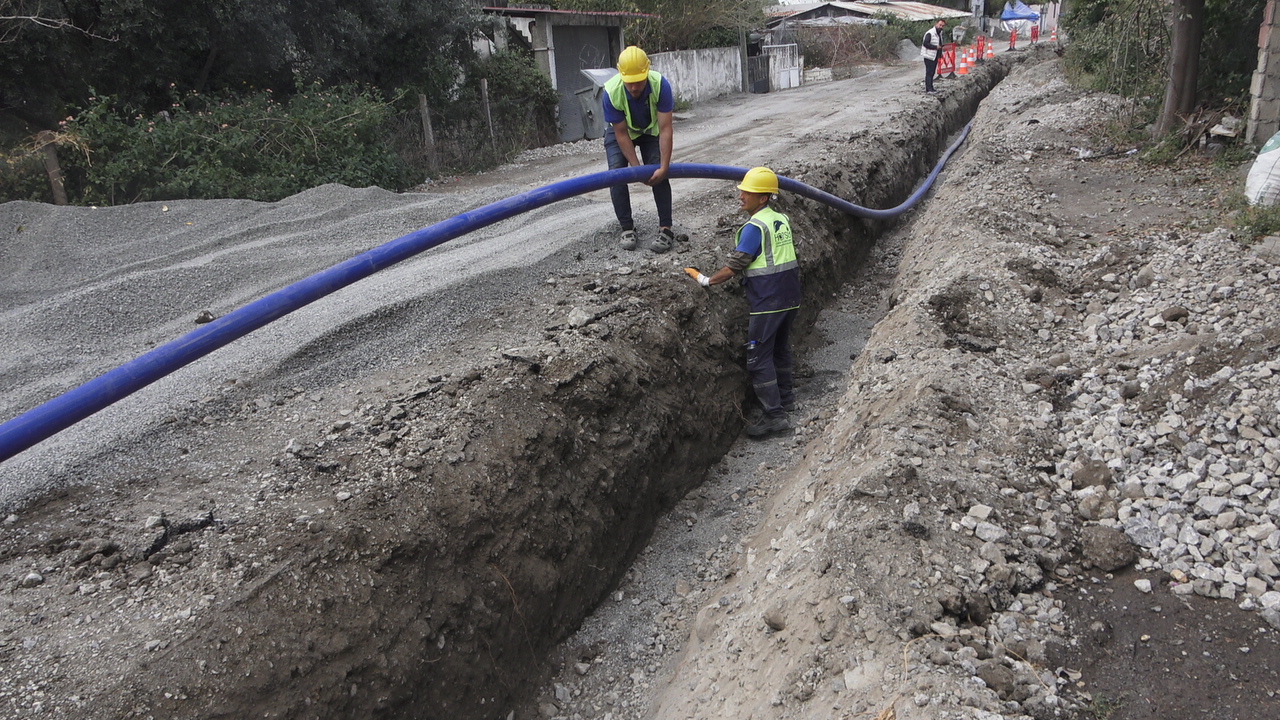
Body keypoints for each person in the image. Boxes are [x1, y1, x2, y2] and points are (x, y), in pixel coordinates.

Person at [683, 167, 800, 439]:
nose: (741, 196)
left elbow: (736, 265)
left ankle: (775, 416)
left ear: (763, 198)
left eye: (748, 192)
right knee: (780, 350)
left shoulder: (754, 227)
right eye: (743, 191)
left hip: (768, 299)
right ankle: (787, 399)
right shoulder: (780, 219)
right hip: (790, 296)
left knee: (759, 358)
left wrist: (706, 280)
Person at [603, 46, 676, 253]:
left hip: (649, 129)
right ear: (621, 75)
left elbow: (665, 129)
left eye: (639, 81)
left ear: (647, 73)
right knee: (616, 173)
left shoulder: (661, 85)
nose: (634, 87)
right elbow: (622, 134)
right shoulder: (611, 92)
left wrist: (664, 166)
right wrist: (635, 169)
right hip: (621, 130)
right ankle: (627, 227)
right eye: (630, 82)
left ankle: (666, 229)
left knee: (659, 172)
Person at [921, 19, 946, 94]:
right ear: (936, 24)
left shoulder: (939, 33)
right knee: (929, 73)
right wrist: (935, 47)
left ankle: (931, 88)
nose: (940, 27)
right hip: (929, 56)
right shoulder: (930, 33)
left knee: (932, 73)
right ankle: (928, 89)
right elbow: (925, 43)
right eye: (940, 25)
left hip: (934, 56)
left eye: (942, 26)